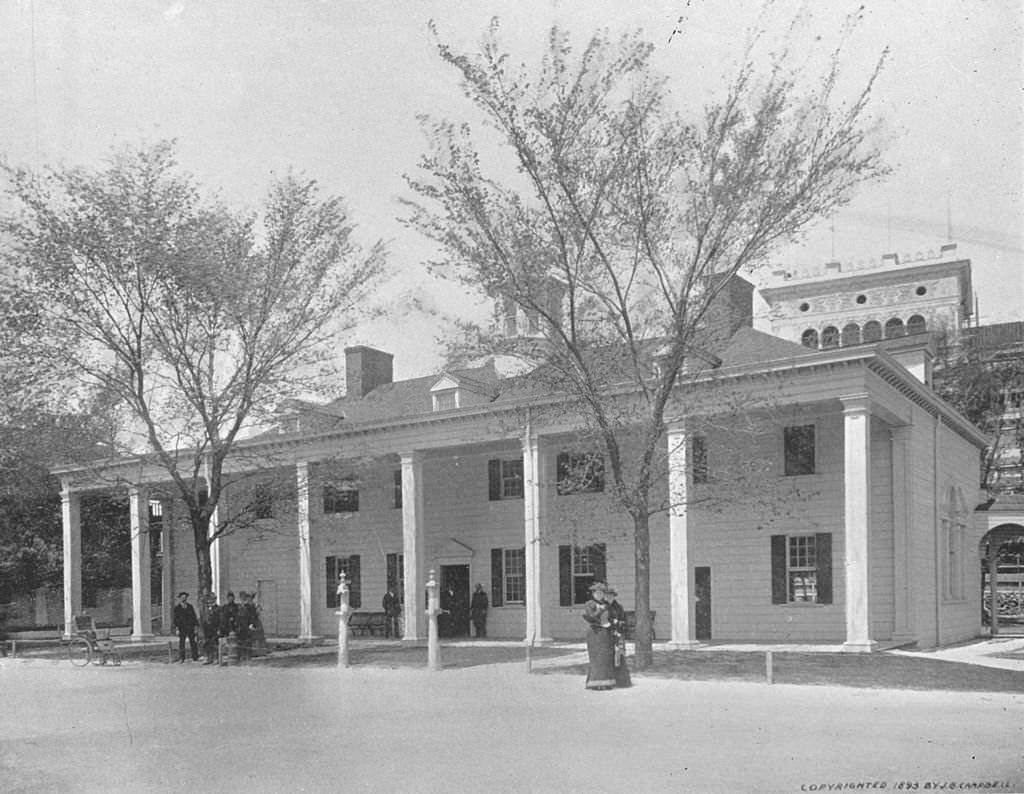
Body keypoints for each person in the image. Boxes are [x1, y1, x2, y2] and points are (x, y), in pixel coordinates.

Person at [581, 582, 630, 690]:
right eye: (597, 593)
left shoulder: (606, 604)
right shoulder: (590, 604)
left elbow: (612, 617)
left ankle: (606, 682)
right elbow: (589, 617)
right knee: (596, 658)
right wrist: (600, 610)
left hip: (606, 633)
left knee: (606, 658)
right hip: (595, 632)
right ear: (593, 594)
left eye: (601, 593)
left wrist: (615, 624)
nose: (599, 595)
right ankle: (595, 683)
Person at [172, 591, 199, 663]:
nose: (184, 599)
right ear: (180, 598)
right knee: (182, 643)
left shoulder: (190, 607)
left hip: (190, 627)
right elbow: (175, 619)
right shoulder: (177, 608)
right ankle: (182, 658)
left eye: (185, 597)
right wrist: (177, 628)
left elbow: (194, 617)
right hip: (182, 628)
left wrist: (196, 626)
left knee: (193, 642)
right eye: (182, 597)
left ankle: (195, 657)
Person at [236, 591, 258, 662]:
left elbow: (253, 616)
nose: (242, 599)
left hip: (248, 625)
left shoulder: (250, 607)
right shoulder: (239, 606)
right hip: (240, 626)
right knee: (240, 641)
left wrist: (252, 624)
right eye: (241, 597)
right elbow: (237, 617)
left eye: (244, 597)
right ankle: (241, 656)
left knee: (248, 641)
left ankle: (248, 656)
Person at [201, 594, 221, 665]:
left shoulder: (218, 608)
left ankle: (216, 658)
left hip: (214, 628)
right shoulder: (205, 609)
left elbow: (220, 619)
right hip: (207, 629)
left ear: (215, 599)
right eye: (208, 599)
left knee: (215, 643)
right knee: (207, 643)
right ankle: (208, 658)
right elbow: (203, 618)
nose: (209, 601)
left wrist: (219, 628)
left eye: (211, 599)